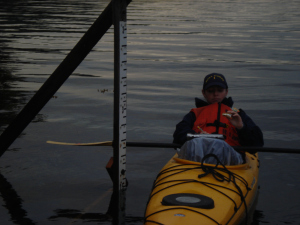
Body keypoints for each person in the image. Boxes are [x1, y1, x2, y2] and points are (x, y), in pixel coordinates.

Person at [173, 73, 264, 149]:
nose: (216, 94)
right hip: (200, 155)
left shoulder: (238, 115)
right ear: (204, 93)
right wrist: (198, 136)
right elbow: (178, 136)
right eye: (210, 91)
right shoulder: (194, 114)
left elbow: (257, 144)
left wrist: (241, 127)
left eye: (220, 90)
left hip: (230, 157)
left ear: (226, 92)